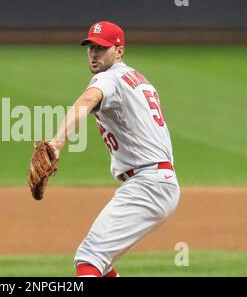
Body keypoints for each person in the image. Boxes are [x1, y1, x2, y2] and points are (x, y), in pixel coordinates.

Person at [48, 21, 180, 277]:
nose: (94, 53)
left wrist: (57, 142)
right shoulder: (138, 79)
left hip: (147, 183)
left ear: (119, 51)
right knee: (102, 262)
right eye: (91, 47)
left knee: (89, 259)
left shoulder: (109, 78)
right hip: (157, 181)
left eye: (102, 48)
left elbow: (88, 99)